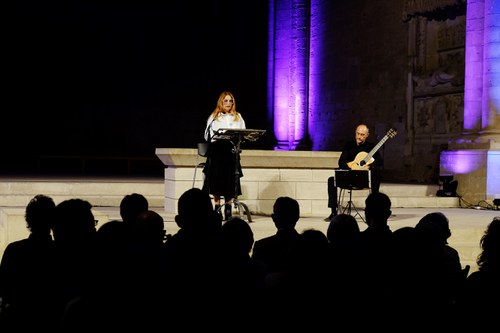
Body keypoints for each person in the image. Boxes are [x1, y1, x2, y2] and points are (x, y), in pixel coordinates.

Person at [324, 123, 384, 221]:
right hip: (350, 176)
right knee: (331, 180)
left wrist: (368, 166)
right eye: (358, 134)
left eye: (362, 135)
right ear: (355, 133)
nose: (359, 137)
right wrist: (352, 166)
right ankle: (333, 212)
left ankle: (373, 212)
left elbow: (379, 162)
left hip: (363, 178)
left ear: (367, 135)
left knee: (376, 174)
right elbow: (341, 162)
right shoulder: (349, 145)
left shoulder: (371, 147)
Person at [202, 91, 246, 221]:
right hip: (217, 151)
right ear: (221, 102)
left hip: (231, 151)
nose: (228, 103)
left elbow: (242, 133)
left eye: (230, 101)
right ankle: (216, 208)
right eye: (225, 101)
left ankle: (227, 209)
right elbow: (208, 135)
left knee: (229, 180)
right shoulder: (214, 117)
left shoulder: (238, 116)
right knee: (216, 180)